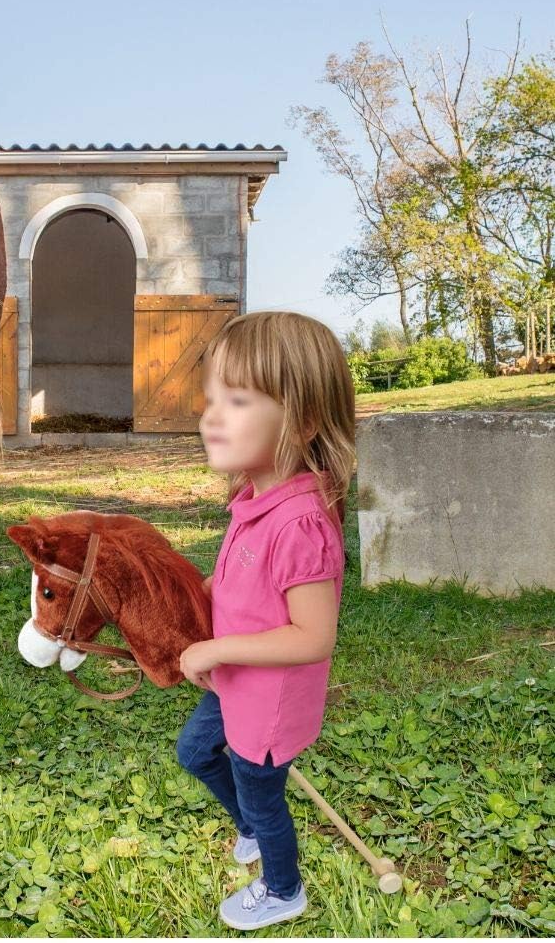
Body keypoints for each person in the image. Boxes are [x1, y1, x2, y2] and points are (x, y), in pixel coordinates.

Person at [177, 310, 356, 930]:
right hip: (237, 687)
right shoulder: (254, 502)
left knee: (262, 791)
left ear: (302, 421)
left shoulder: (301, 523)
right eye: (211, 400)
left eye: (239, 400)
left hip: (268, 703)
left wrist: (216, 649)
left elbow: (313, 635)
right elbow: (247, 585)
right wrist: (204, 592)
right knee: (196, 752)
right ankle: (250, 827)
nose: (212, 417)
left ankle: (283, 888)